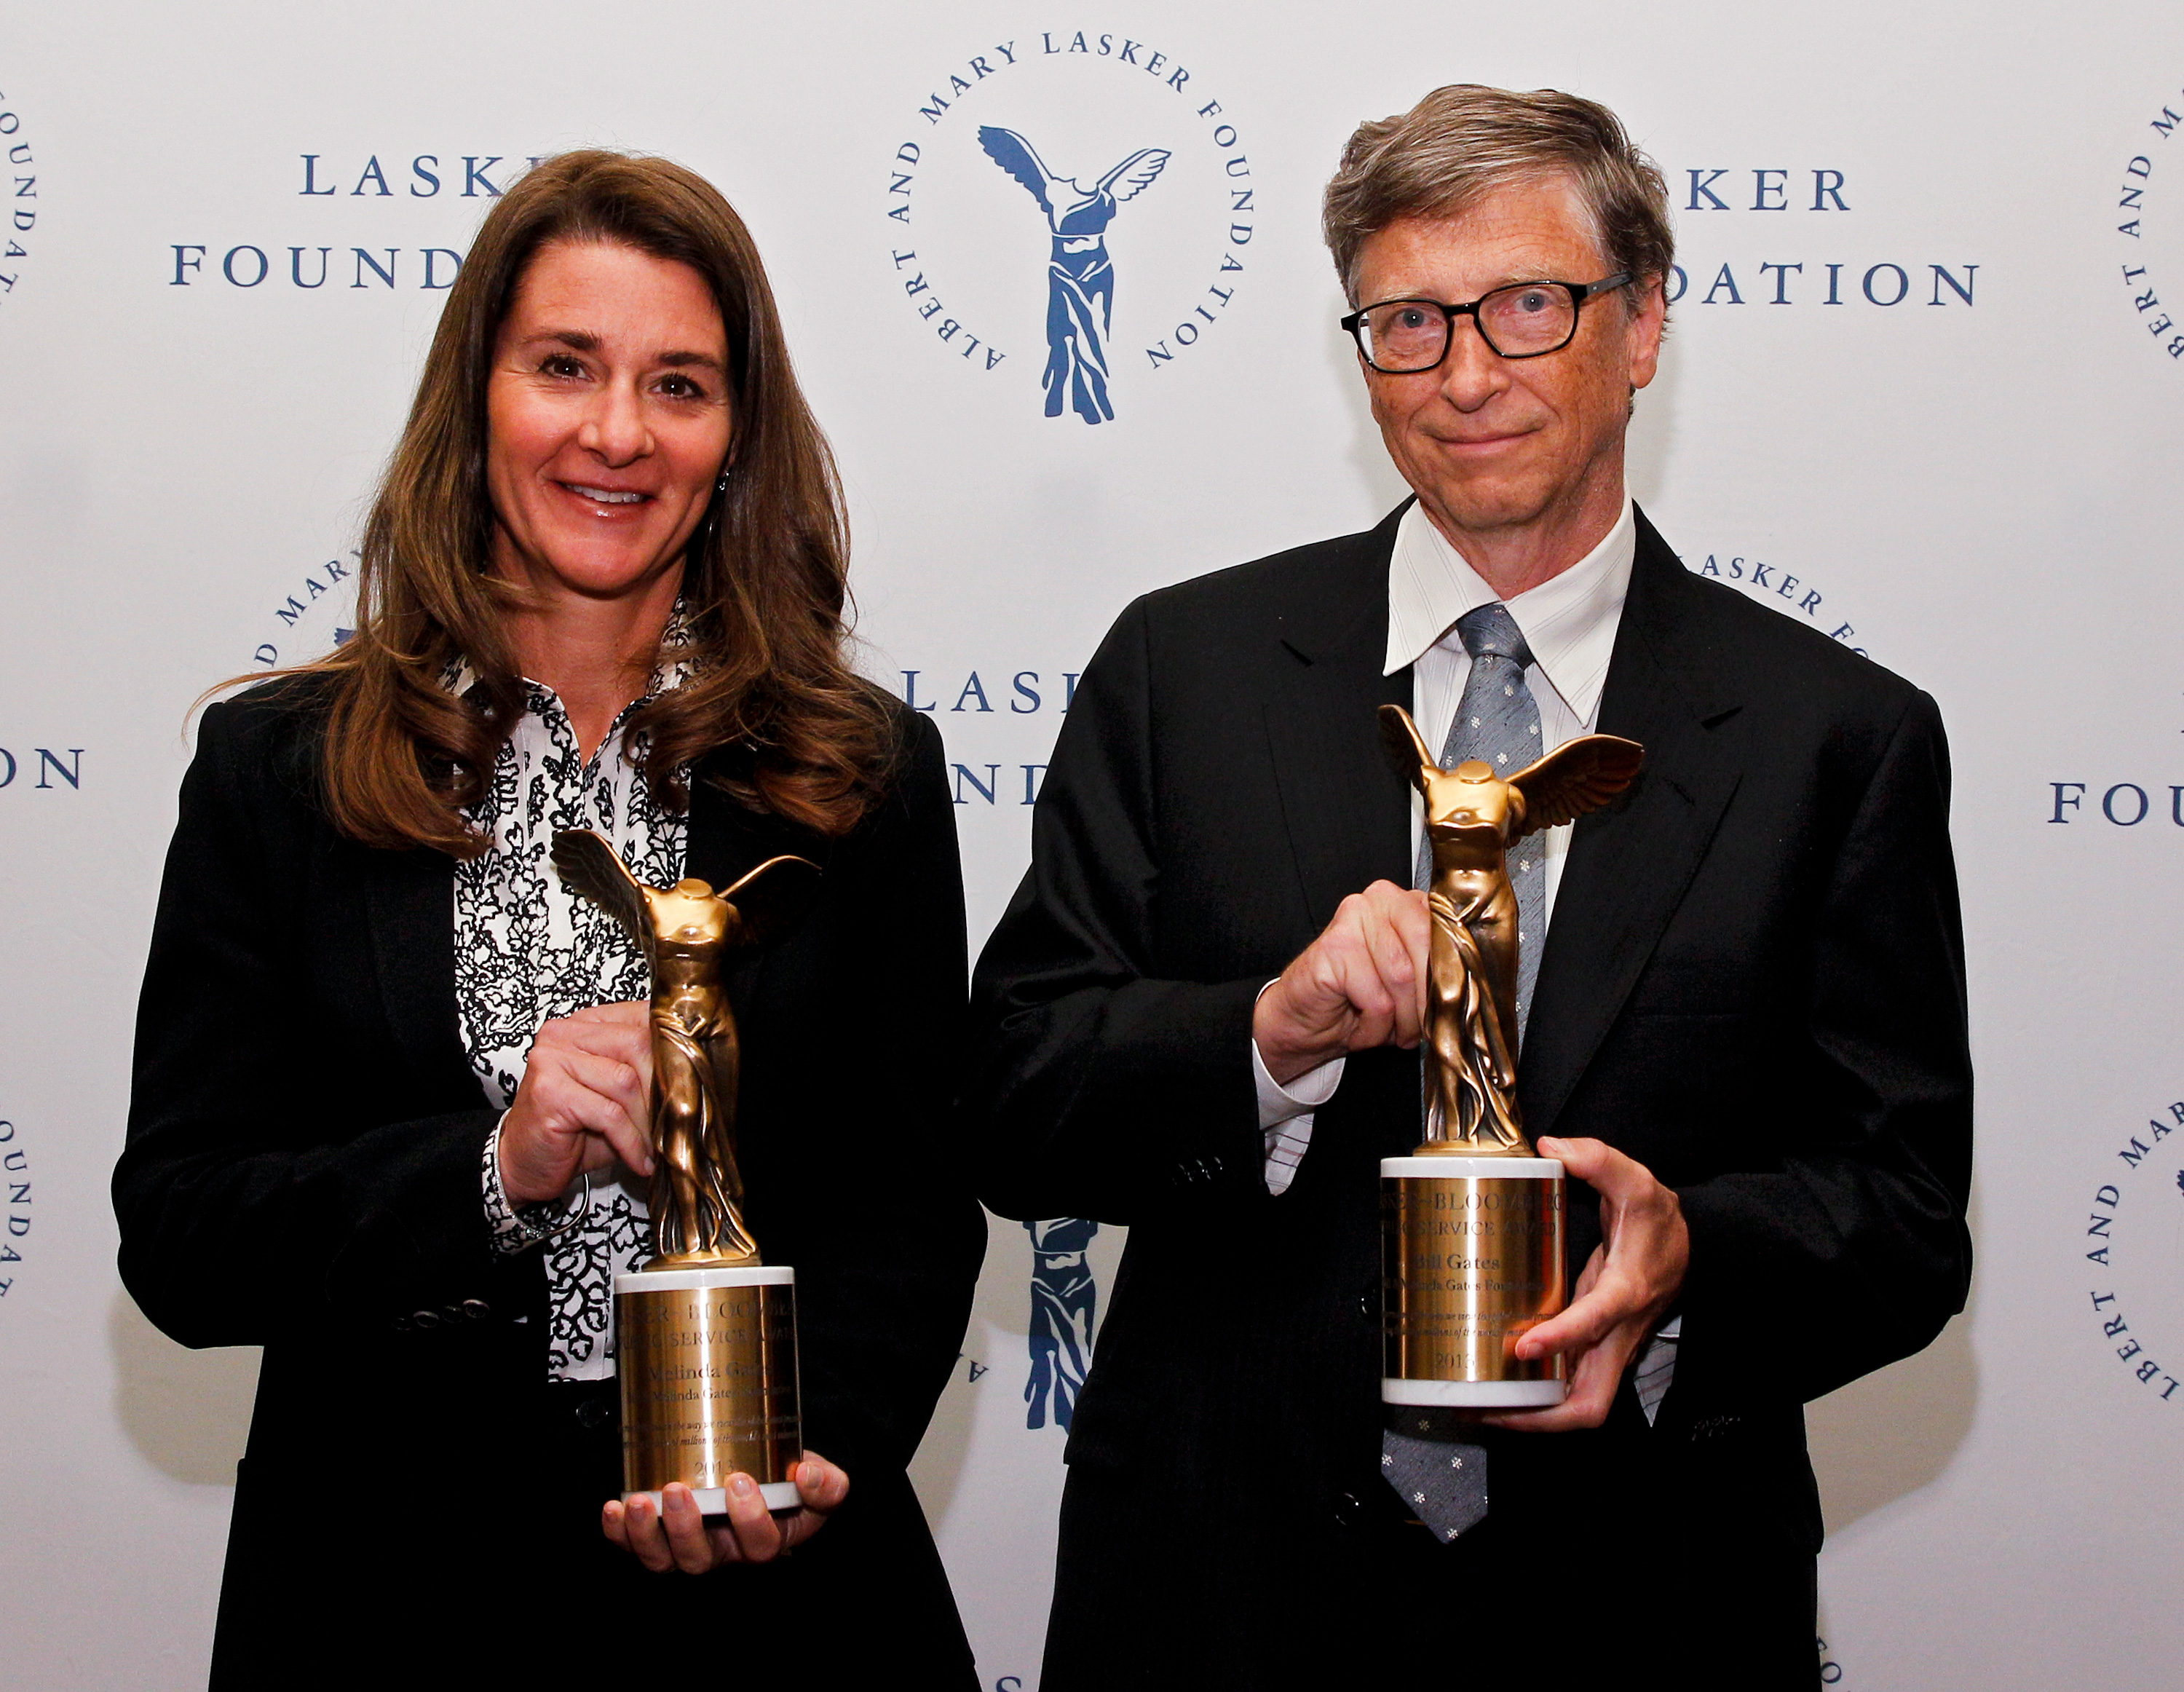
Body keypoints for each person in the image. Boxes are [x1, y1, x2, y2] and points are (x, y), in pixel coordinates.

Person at [965, 85, 1973, 1691]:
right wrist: (1270, 1034)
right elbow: (1015, 1096)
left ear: (1641, 327)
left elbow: (1906, 1215)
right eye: (1410, 323)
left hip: (1643, 1604)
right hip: (1220, 1602)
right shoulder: (1185, 671)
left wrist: (1686, 1254)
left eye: (1527, 306)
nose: (1469, 373)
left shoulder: (1833, 737)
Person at [115, 151, 985, 1688]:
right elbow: (184, 1237)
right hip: (389, 1589)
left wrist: (803, 1452)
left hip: (780, 1598)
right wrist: (493, 1169)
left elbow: (912, 1211)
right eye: (565, 367)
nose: (617, 432)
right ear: (480, 399)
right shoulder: (282, 773)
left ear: (736, 439)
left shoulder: (859, 776)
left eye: (681, 384)